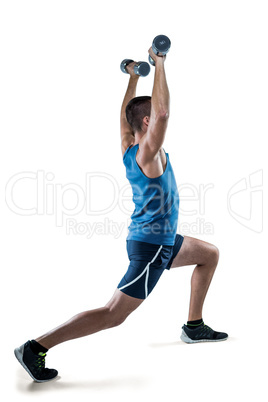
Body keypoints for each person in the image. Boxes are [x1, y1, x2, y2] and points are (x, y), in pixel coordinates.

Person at [14, 46, 228, 383]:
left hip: (159, 239)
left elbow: (124, 120)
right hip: (152, 247)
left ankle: (194, 325)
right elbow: (163, 114)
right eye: (151, 118)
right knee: (114, 314)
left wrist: (132, 79)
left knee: (209, 254)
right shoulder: (148, 154)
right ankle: (36, 347)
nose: (157, 120)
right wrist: (159, 65)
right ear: (147, 121)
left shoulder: (128, 146)